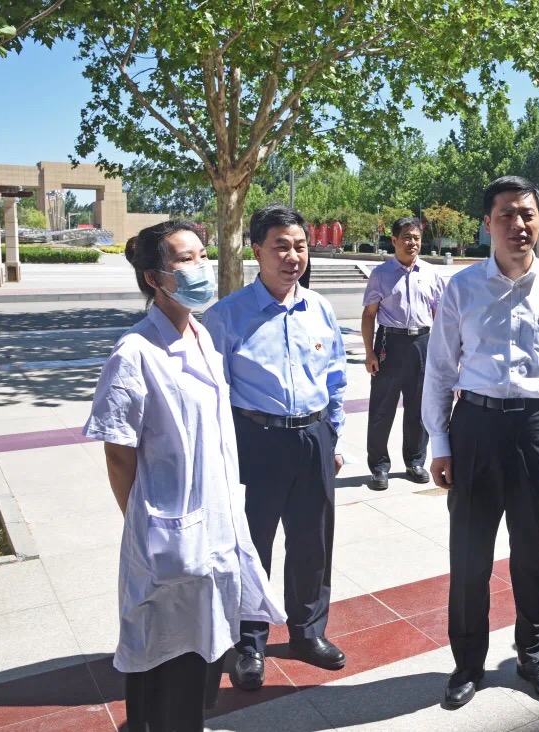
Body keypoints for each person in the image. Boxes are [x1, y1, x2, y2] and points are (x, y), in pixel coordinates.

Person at [84, 222, 285, 732]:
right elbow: (118, 454)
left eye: (203, 256)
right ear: (155, 278)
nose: (202, 268)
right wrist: (148, 523)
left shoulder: (202, 337)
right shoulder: (134, 352)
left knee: (200, 657)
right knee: (164, 663)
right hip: (168, 530)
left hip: (213, 522)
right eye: (185, 260)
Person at [423, 175, 539, 709]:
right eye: (506, 215)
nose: (518, 224)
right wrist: (440, 442)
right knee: (470, 554)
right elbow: (439, 370)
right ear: (488, 223)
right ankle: (467, 663)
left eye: (527, 214)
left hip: (538, 430)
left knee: (532, 552)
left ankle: (534, 657)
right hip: (476, 428)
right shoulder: (463, 288)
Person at [203, 204, 348, 691]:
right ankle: (249, 642)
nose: (293, 257)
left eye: (300, 246)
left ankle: (309, 632)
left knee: (313, 542)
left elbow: (335, 378)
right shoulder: (226, 316)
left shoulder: (320, 309)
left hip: (313, 439)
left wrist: (333, 437)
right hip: (256, 441)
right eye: (281, 246)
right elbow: (213, 393)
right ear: (256, 251)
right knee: (252, 546)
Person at [361, 216, 445, 491]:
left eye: (416, 238)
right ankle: (379, 466)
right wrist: (370, 352)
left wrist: (442, 352)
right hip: (390, 344)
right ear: (394, 240)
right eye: (407, 237)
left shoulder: (431, 274)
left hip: (423, 343)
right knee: (381, 409)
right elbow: (369, 315)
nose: (412, 243)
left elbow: (439, 315)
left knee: (419, 408)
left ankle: (415, 461)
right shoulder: (381, 274)